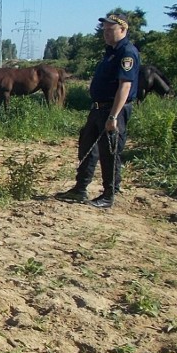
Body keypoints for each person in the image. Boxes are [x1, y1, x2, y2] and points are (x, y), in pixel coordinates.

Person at [56, 13, 140, 208]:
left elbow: (124, 87)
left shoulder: (126, 52)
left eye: (110, 30)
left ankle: (109, 194)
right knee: (87, 147)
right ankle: (80, 188)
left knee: (109, 152)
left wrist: (113, 116)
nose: (106, 34)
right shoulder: (110, 51)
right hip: (98, 109)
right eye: (104, 30)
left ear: (123, 29)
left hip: (112, 110)